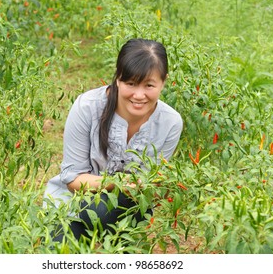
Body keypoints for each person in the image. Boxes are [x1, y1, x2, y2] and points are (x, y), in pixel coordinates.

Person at [43, 38, 183, 242]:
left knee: (120, 212)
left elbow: (150, 183)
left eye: (149, 85)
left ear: (164, 81)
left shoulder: (170, 122)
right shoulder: (88, 107)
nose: (139, 95)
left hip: (126, 206)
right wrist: (120, 182)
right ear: (118, 78)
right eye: (131, 83)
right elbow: (73, 179)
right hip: (72, 203)